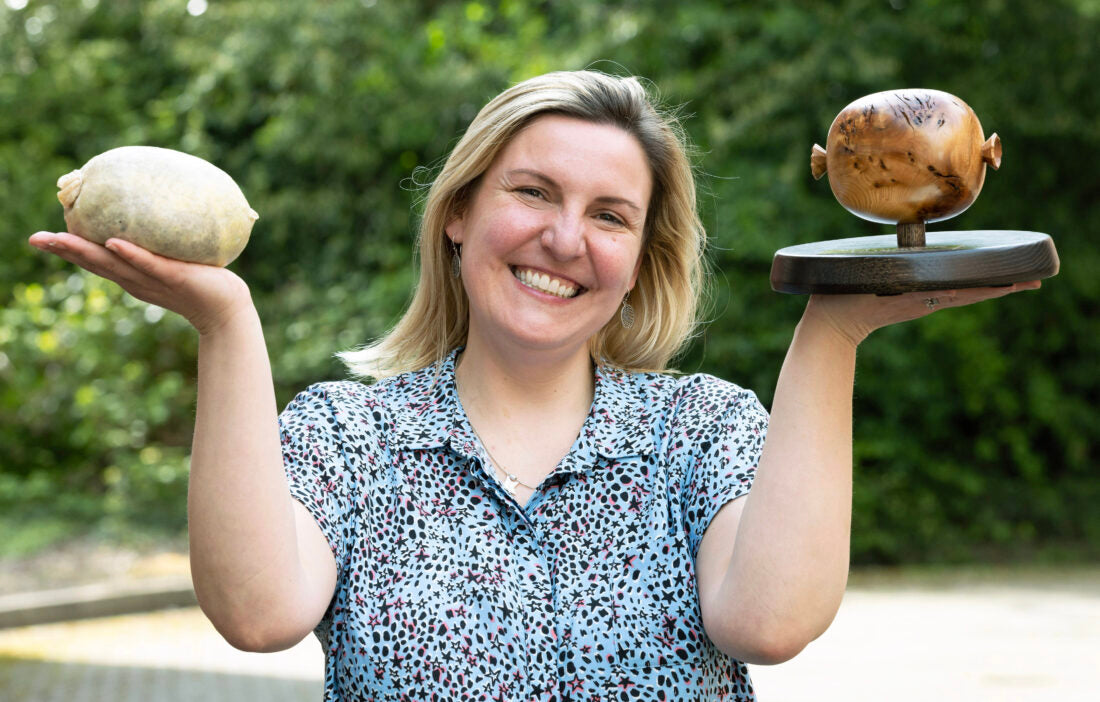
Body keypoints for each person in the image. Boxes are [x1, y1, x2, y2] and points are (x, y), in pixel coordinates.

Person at [29, 70, 1038, 700]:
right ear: (460, 213)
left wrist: (832, 333)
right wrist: (225, 321)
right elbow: (257, 615)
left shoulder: (704, 431)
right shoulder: (348, 437)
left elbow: (767, 624)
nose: (564, 237)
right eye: (532, 191)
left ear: (641, 258)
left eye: (609, 215)